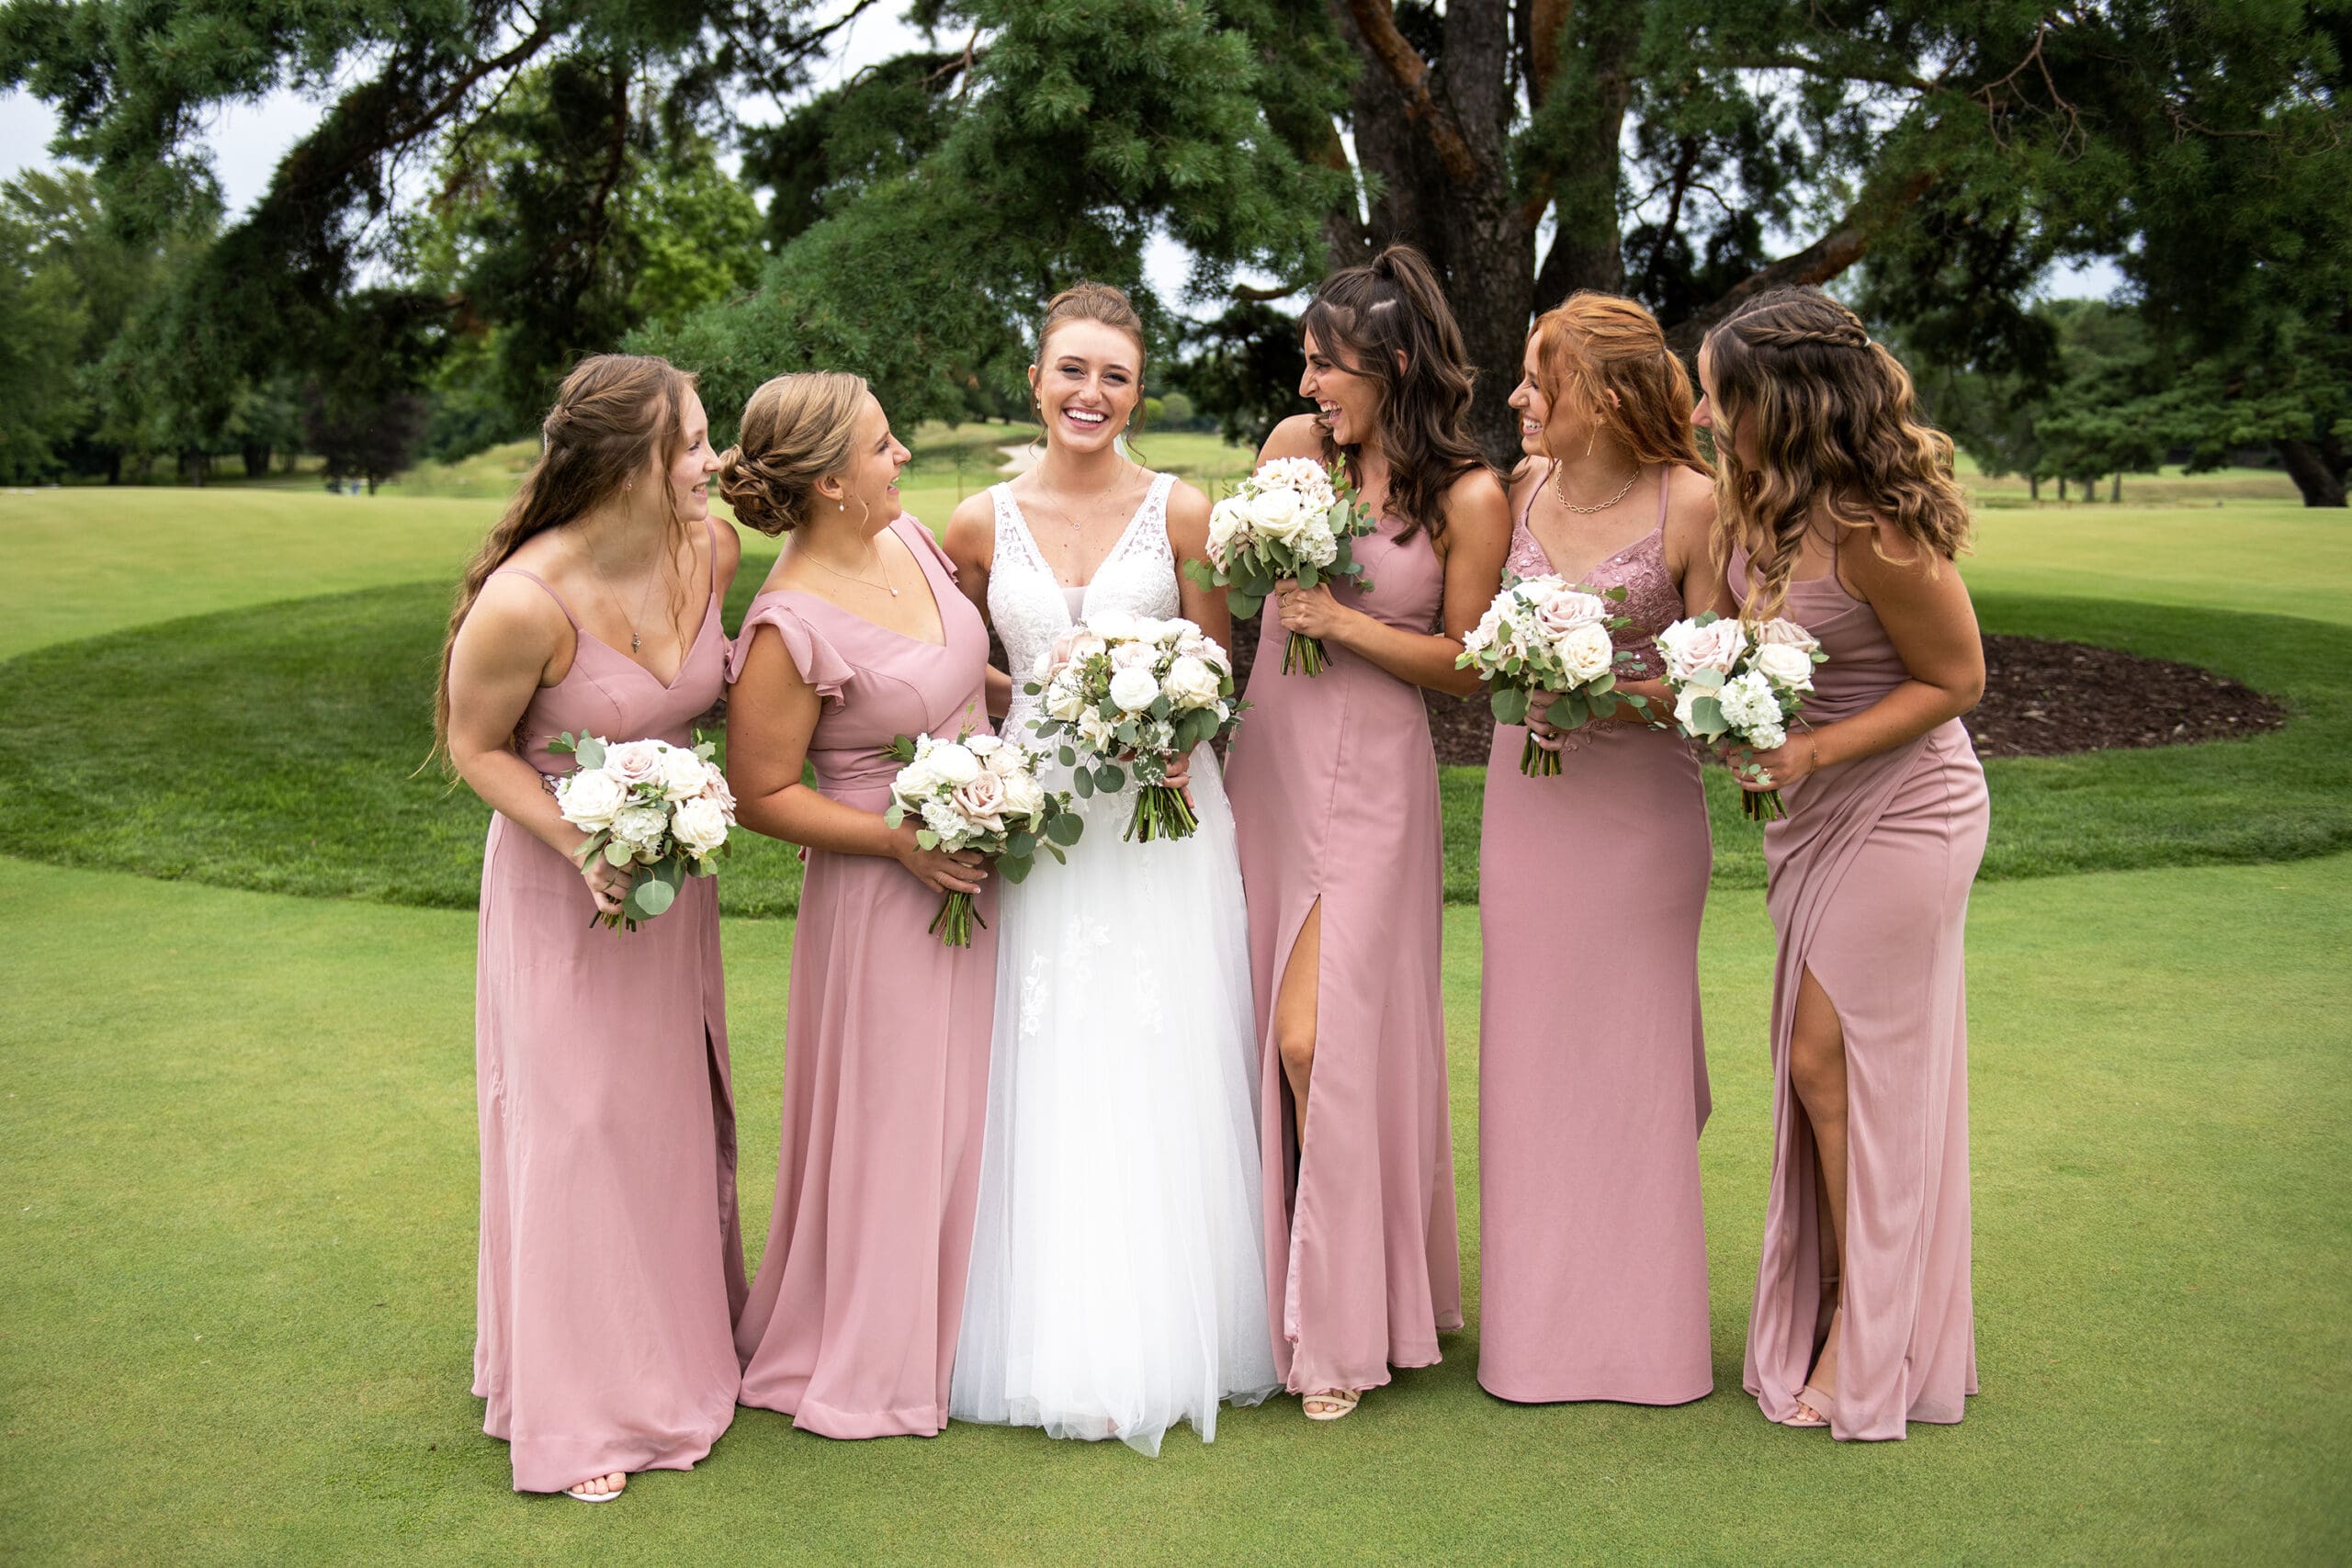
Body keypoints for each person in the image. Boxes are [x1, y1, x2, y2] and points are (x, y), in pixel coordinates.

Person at [941, 283, 1277, 1455]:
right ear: (1033, 380)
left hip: (1163, 815)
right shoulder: (976, 525)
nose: (1091, 394)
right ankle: (1040, 1332)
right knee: (1045, 1050)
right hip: (1040, 821)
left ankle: (1169, 1324)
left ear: (1141, 391)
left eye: (1115, 377)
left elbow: (1215, 664)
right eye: (1071, 370)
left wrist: (1169, 733)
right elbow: (948, 666)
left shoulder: (1185, 511)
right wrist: (1031, 711)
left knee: (1155, 1045)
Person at [438, 353, 745, 1500]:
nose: (708, 461)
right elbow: (476, 749)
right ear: (627, 463)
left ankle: (671, 1351)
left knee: (661, 1115)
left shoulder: (707, 547)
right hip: (559, 888)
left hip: (674, 890)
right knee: (575, 1124)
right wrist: (583, 845)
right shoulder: (526, 599)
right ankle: (578, 1412)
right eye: (691, 444)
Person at [1693, 287, 1989, 1440]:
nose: (1710, 418)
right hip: (1806, 818)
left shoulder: (1876, 529)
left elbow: (1956, 683)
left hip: (1910, 808)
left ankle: (1860, 1326)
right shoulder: (1747, 510)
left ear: (1785, 400)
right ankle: (1833, 1298)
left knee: (1827, 1060)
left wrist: (1808, 744)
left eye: (1723, 396)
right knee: (1819, 1069)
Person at [1222, 244, 1511, 1421]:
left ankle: (1342, 1318)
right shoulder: (1294, 455)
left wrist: (1340, 621)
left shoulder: (1469, 496)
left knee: (1315, 1041)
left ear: (1389, 363)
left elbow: (1468, 666)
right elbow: (1239, 580)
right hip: (1269, 760)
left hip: (1373, 777)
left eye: (1322, 364)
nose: (1305, 387)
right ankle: (1272, 1295)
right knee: (1256, 1030)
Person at [721, 373, 1003, 1439]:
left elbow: (959, 675)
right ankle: (874, 1358)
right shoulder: (785, 627)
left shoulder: (916, 541)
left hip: (979, 866)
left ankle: (975, 1332)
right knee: (899, 1122)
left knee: (976, 1107)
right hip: (883, 900)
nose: (903, 460)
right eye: (885, 448)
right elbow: (759, 796)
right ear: (831, 482)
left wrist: (1064, 704)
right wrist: (898, 840)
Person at [1476, 293, 1720, 1405]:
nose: (1521, 396)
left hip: (1640, 821)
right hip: (1526, 812)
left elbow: (1718, 688)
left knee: (1628, 1065)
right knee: (1532, 1059)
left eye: (1542, 377)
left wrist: (1604, 689)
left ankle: (1646, 1342)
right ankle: (1533, 1341)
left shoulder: (1695, 505)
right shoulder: (1515, 491)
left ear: (1608, 394)